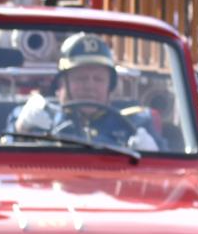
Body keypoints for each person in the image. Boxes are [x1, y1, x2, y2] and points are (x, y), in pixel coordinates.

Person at [11, 32, 160, 151]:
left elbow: (170, 174)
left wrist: (153, 157)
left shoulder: (135, 123)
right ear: (61, 83)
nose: (90, 86)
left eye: (99, 79)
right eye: (81, 78)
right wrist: (20, 131)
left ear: (110, 86)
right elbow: (3, 166)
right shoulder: (38, 115)